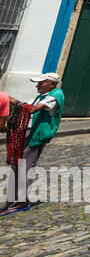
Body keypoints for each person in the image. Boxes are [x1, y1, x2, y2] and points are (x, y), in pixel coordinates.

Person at [1, 74, 63, 213]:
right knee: (17, 167)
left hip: (35, 135)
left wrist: (9, 99)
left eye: (41, 83)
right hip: (26, 133)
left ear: (51, 83)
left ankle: (20, 203)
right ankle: (12, 201)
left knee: (24, 168)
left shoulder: (55, 96)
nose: (37, 86)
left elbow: (33, 109)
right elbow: (25, 105)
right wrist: (7, 99)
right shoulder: (41, 96)